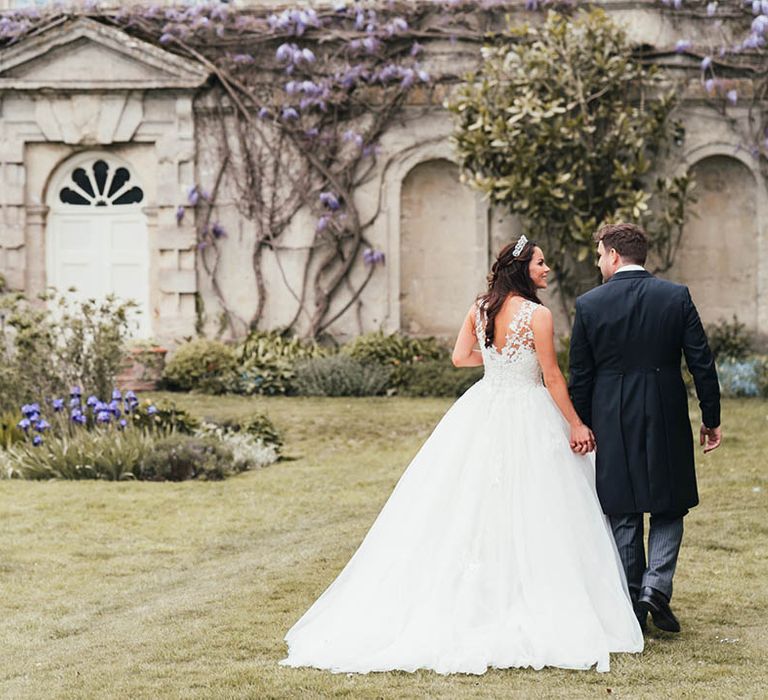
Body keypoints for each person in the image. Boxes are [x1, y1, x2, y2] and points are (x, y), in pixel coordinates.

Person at [280, 237, 643, 675]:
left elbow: (458, 357)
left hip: (486, 404)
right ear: (522, 268)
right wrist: (576, 424)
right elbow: (551, 377)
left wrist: (497, 362)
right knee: (538, 505)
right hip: (528, 409)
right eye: (541, 263)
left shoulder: (481, 308)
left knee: (470, 501)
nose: (548, 270)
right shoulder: (539, 316)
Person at [568, 222, 721, 634]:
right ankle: (655, 588)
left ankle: (633, 599)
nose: (599, 261)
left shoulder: (589, 304)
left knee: (624, 508)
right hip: (665, 408)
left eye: (600, 253)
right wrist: (711, 417)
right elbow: (701, 362)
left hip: (610, 414)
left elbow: (580, 375)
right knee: (670, 505)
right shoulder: (676, 296)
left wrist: (578, 423)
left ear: (614, 255)